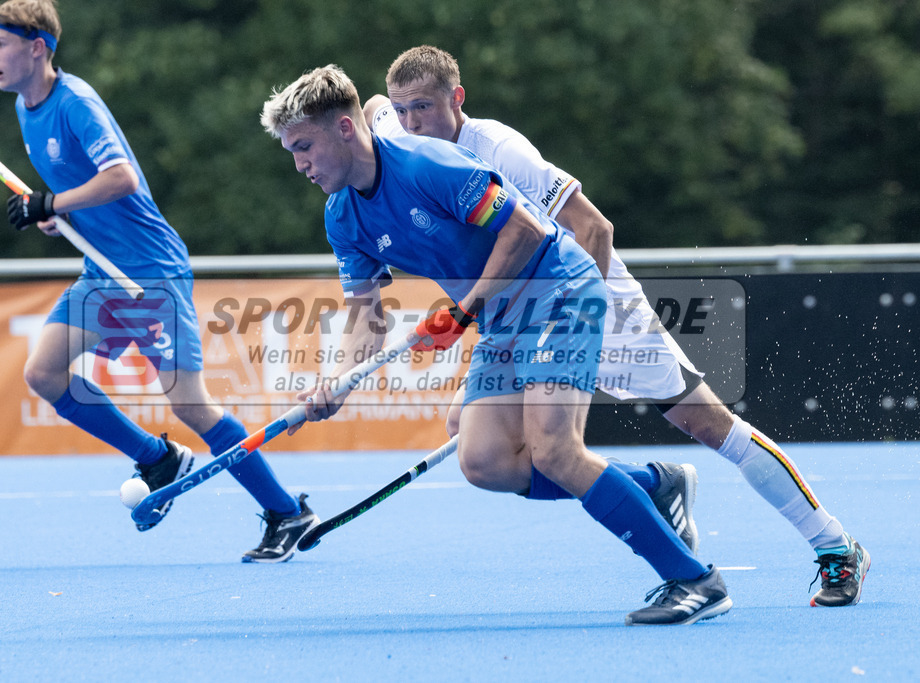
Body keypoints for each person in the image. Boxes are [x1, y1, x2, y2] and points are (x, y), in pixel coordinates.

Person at [365, 45, 868, 607]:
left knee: (709, 425)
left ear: (457, 99)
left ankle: (835, 545)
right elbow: (372, 106)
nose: (412, 122)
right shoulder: (398, 136)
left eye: (424, 108)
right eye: (404, 111)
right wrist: (385, 114)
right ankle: (657, 483)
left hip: (594, 303)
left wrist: (578, 322)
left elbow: (595, 229)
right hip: (524, 318)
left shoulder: (500, 149)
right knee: (477, 440)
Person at [261, 64, 733, 625]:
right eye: (292, 152)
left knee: (554, 451)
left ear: (344, 129)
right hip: (502, 318)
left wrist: (464, 309)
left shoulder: (428, 164)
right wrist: (335, 384)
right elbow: (366, 315)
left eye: (304, 147)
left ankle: (694, 580)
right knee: (484, 461)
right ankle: (654, 485)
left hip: (558, 290)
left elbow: (525, 230)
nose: (300, 164)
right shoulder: (342, 217)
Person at [0, 0, 317, 563]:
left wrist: (53, 201)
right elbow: (82, 191)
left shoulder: (75, 103)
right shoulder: (25, 107)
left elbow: (121, 178)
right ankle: (157, 458)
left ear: (36, 47)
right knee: (43, 372)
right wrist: (56, 215)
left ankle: (287, 512)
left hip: (149, 273)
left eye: (0, 44)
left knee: (192, 407)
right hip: (102, 272)